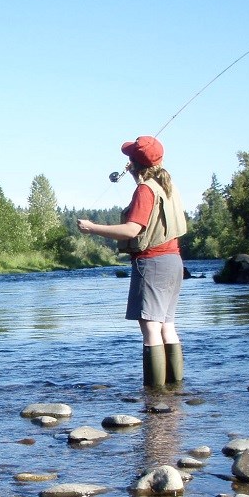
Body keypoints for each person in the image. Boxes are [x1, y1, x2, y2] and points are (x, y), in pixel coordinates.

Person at [77, 135, 187, 388]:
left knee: (150, 331)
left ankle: (155, 394)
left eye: (129, 158)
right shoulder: (168, 186)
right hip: (174, 261)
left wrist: (92, 228)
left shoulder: (145, 189)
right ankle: (175, 390)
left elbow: (131, 230)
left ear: (134, 164)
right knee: (167, 327)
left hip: (153, 264)